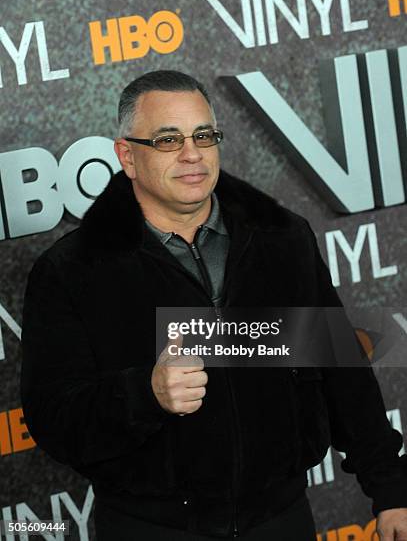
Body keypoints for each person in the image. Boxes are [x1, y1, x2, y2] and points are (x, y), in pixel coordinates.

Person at [20, 70, 407, 540]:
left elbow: (341, 372)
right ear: (128, 156)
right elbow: (52, 416)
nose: (192, 154)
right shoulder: (71, 270)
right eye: (168, 139)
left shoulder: (282, 240)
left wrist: (389, 488)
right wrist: (146, 394)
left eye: (203, 135)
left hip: (281, 519)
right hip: (152, 529)